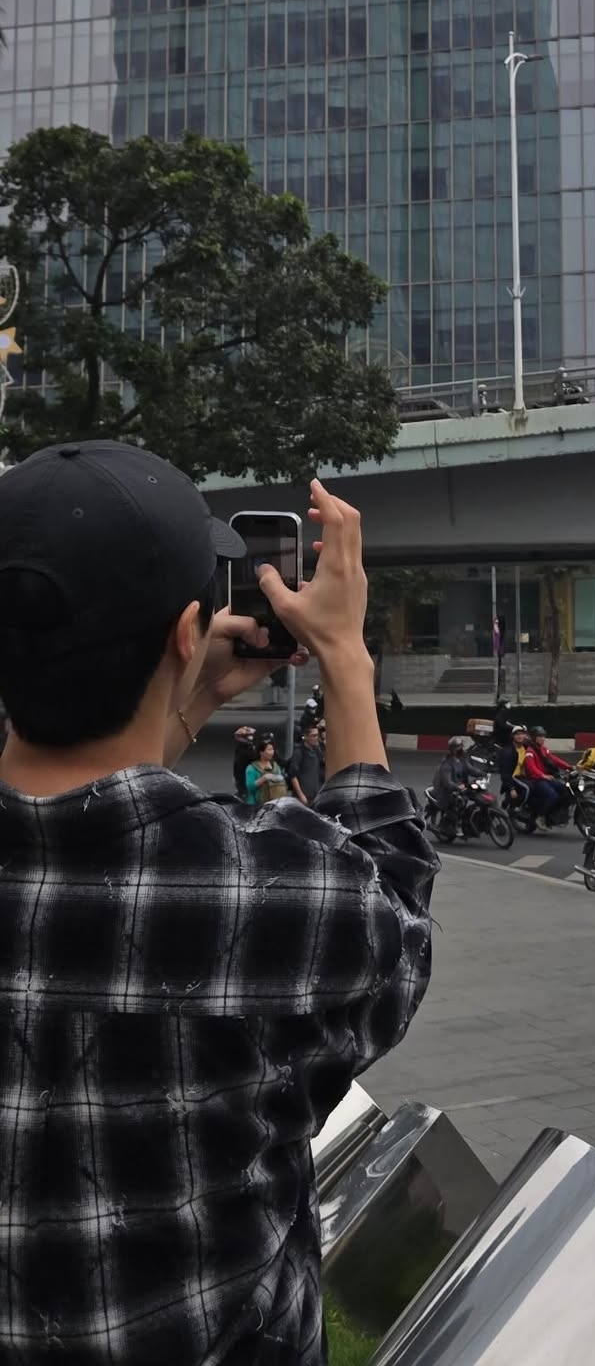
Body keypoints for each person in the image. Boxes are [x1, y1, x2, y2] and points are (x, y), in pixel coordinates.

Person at [0, 444, 437, 1361]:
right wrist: (345, 660)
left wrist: (179, 705)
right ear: (188, 630)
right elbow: (393, 909)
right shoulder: (269, 894)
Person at [432, 736, 471, 829]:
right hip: (445, 790)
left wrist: (483, 774)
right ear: (452, 749)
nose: (461, 749)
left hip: (459, 786)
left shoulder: (462, 759)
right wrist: (458, 787)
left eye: (461, 746)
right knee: (457, 804)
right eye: (458, 747)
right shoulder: (446, 763)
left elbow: (470, 769)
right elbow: (447, 782)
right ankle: (444, 826)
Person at [287, 716, 324, 807]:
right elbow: (293, 776)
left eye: (317, 735)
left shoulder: (317, 751)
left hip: (316, 794)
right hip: (304, 796)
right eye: (313, 736)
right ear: (306, 737)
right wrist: (301, 795)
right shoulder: (299, 752)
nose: (316, 738)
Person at [245, 732, 287, 805]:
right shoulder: (251, 768)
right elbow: (250, 787)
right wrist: (264, 778)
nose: (272, 752)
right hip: (256, 805)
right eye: (269, 750)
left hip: (273, 804)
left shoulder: (275, 766)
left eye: (272, 749)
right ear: (261, 752)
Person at [232, 719, 256, 799]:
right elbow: (239, 766)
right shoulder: (244, 750)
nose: (251, 738)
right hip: (244, 778)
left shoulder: (246, 748)